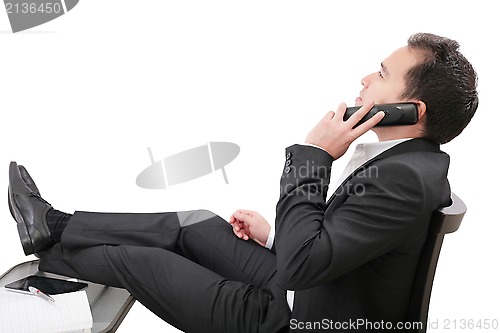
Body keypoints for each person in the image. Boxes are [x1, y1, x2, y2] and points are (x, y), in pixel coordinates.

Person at [7, 32, 478, 333]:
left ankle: (44, 256)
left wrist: (314, 156)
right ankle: (54, 225)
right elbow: (340, 246)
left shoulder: (402, 180)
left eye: (380, 74)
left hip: (291, 318)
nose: (363, 78)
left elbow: (302, 265)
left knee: (138, 261)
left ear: (411, 111)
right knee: (195, 224)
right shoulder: (405, 164)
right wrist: (271, 235)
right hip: (307, 288)